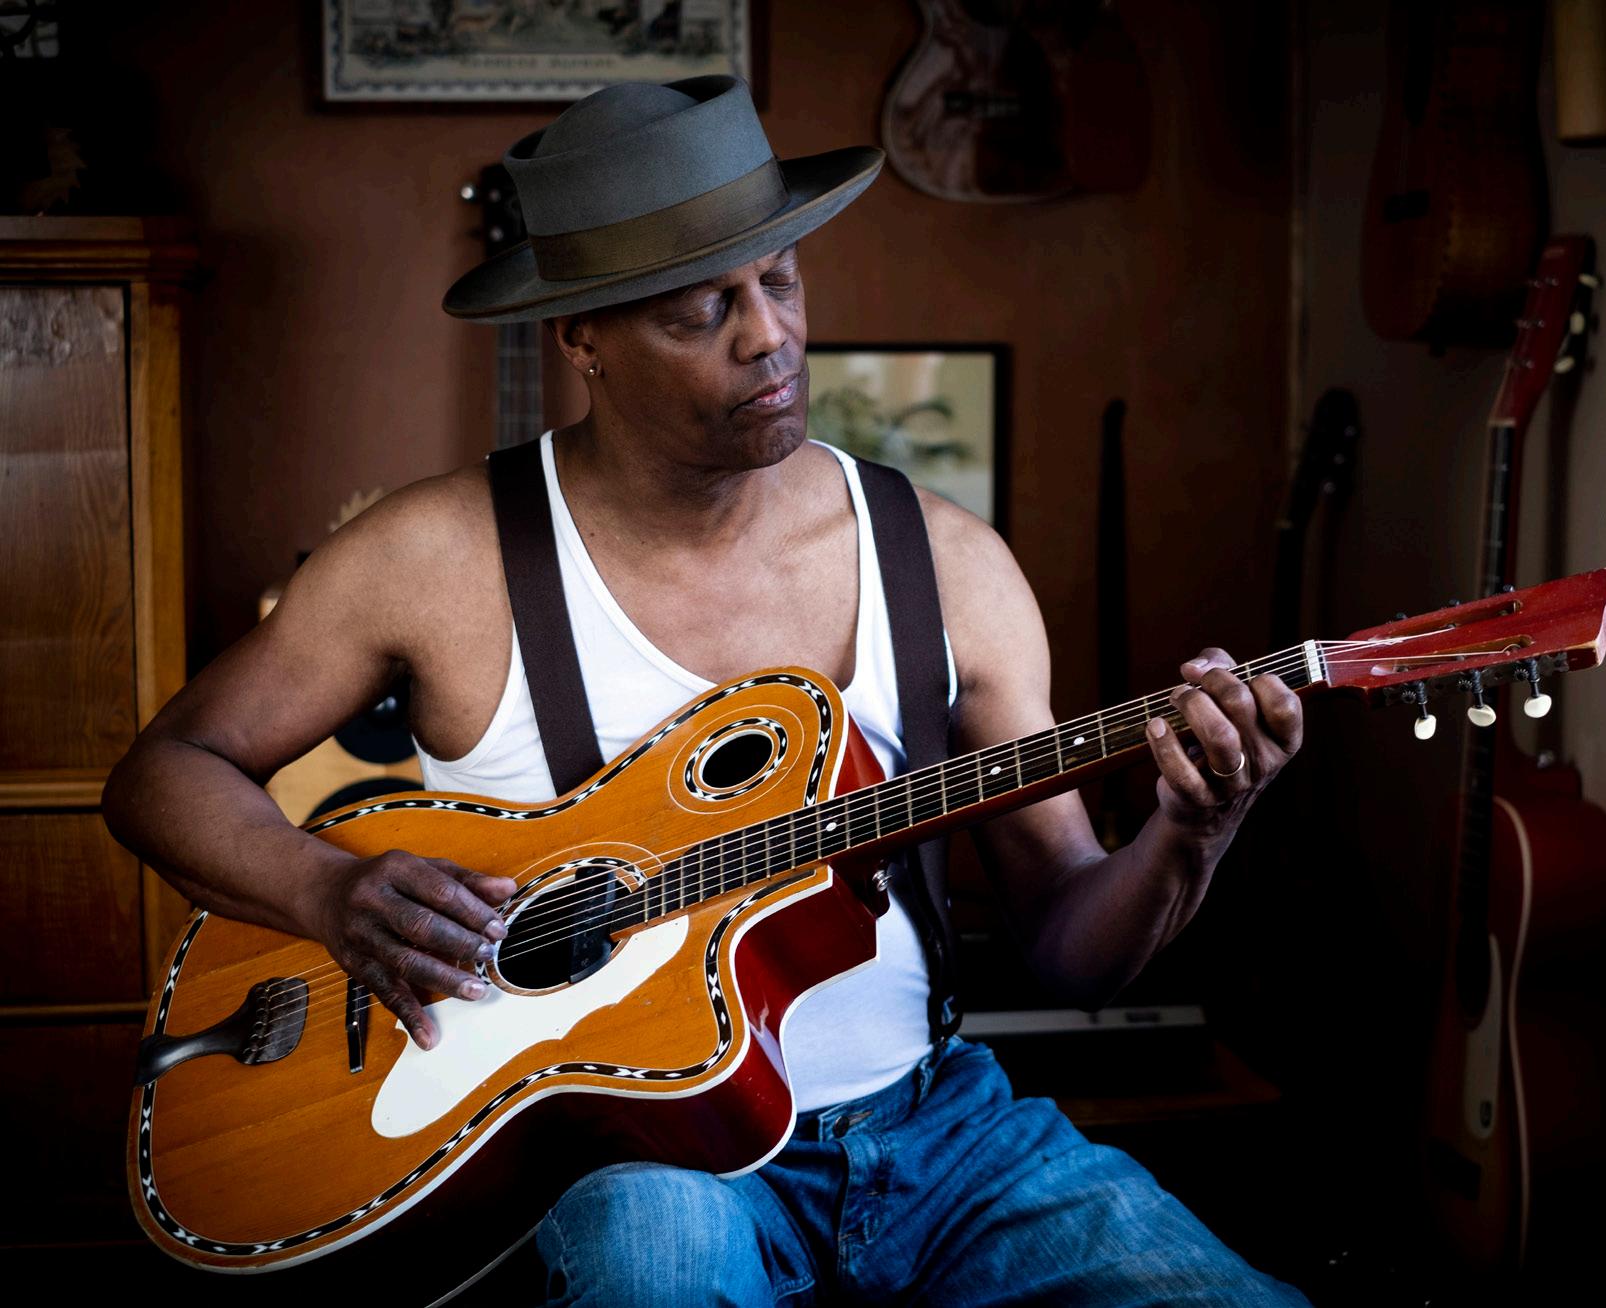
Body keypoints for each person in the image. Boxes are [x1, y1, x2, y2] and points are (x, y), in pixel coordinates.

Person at [103, 76, 1309, 1306]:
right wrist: (325, 889)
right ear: (580, 336)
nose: (766, 335)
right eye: (701, 310)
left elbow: (1070, 953)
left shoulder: (944, 562)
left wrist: (1191, 830)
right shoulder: (430, 560)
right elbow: (161, 772)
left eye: (780, 280)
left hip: (941, 1136)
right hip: (636, 1162)